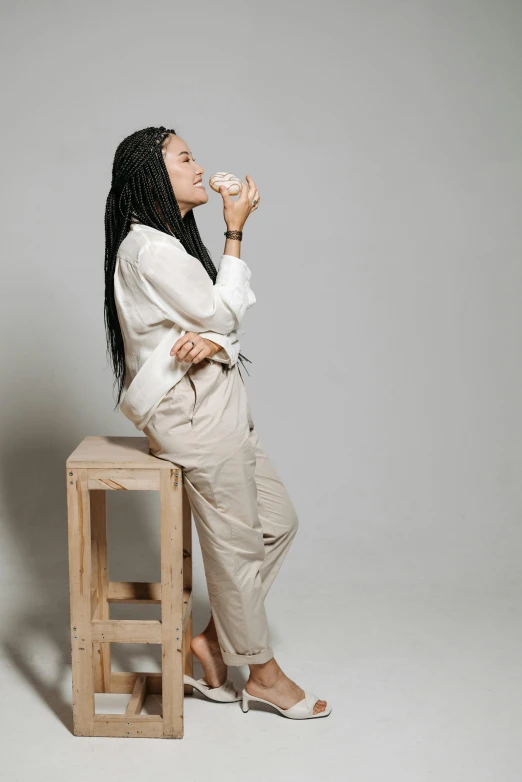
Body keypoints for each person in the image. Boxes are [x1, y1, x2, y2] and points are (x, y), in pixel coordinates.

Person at [104, 126, 330, 719]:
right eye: (185, 158)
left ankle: (207, 641)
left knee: (277, 523)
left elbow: (220, 323)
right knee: (233, 549)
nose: (199, 167)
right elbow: (225, 310)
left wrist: (212, 338)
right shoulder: (151, 249)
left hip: (219, 402)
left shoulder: (167, 245)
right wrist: (235, 230)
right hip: (195, 415)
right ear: (156, 176)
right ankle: (262, 672)